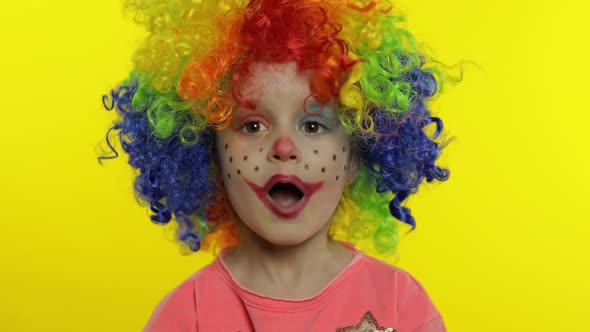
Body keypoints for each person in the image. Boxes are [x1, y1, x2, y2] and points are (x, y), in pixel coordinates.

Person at [100, 0, 454, 331]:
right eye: (252, 126)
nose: (284, 148)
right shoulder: (186, 315)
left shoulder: (399, 304)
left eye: (313, 126)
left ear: (352, 158)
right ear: (211, 155)